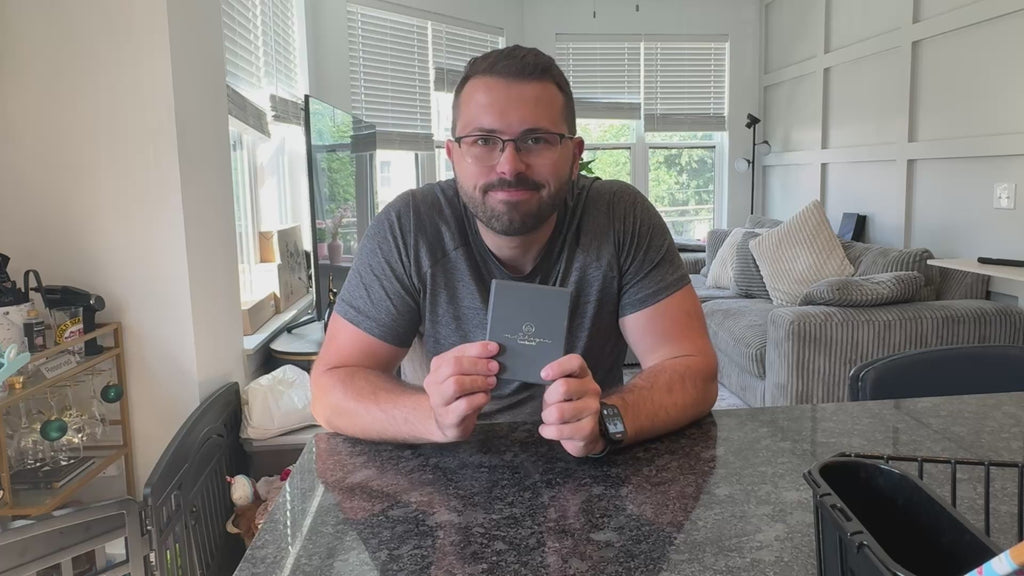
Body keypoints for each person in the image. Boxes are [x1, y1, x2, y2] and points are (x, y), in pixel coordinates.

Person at [310, 45, 717, 457]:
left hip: (592, 470)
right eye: (484, 140)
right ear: (453, 156)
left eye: (536, 140)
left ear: (575, 156)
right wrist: (430, 416)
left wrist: (608, 418)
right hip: (445, 471)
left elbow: (691, 369)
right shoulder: (410, 226)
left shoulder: (619, 217)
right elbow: (331, 388)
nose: (509, 165)